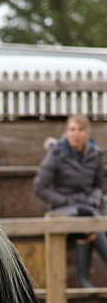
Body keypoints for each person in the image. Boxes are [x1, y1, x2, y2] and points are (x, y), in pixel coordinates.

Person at [34, 114, 107, 287]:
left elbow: (98, 186)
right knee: (89, 223)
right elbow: (40, 187)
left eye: (80, 130)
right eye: (72, 129)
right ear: (67, 132)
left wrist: (93, 200)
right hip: (63, 208)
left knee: (95, 216)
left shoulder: (95, 155)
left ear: (87, 133)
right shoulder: (56, 153)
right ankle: (83, 280)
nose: (76, 134)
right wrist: (67, 201)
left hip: (89, 207)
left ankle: (84, 281)